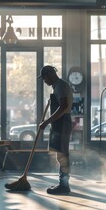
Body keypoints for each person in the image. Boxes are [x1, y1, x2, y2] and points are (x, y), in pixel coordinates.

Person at [38, 65, 73, 195]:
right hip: (59, 123)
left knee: (63, 155)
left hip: (62, 123)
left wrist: (46, 122)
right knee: (60, 155)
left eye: (44, 78)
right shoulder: (57, 86)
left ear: (50, 74)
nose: (44, 81)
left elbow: (63, 107)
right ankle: (62, 183)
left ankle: (64, 186)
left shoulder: (61, 86)